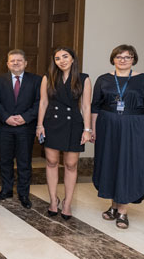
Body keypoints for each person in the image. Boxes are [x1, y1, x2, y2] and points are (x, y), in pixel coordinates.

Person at [91, 44, 144, 229]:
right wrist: (93, 129)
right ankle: (113, 206)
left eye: (127, 57)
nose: (123, 60)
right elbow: (95, 107)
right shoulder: (103, 80)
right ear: (113, 59)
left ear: (133, 60)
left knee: (128, 165)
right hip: (107, 126)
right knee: (111, 163)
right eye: (119, 57)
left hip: (134, 127)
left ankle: (122, 211)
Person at [36, 47, 91, 220]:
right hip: (52, 122)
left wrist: (87, 129)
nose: (62, 60)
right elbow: (43, 103)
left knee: (71, 165)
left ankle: (67, 203)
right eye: (58, 58)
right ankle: (53, 200)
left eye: (65, 57)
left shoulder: (84, 78)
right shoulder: (48, 77)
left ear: (73, 59)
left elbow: (86, 106)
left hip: (74, 124)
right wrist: (39, 126)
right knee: (52, 162)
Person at [0, 49, 41, 209]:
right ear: (7, 64)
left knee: (24, 161)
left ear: (26, 63)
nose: (16, 63)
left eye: (19, 60)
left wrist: (25, 117)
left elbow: (39, 102)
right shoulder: (0, 80)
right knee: (5, 160)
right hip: (5, 126)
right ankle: (6, 190)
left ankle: (23, 194)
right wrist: (6, 117)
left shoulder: (36, 80)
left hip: (26, 127)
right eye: (12, 60)